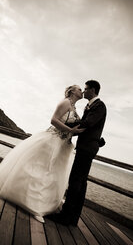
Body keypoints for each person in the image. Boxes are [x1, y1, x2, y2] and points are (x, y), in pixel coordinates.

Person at [0, 85, 85, 223]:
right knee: (42, 170)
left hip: (63, 145)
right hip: (52, 140)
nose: (82, 91)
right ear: (72, 91)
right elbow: (53, 120)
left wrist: (73, 132)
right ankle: (34, 206)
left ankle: (45, 202)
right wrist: (71, 130)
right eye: (79, 89)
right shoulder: (65, 102)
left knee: (53, 174)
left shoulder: (74, 108)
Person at [46, 80, 107, 226]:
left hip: (87, 148)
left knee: (75, 181)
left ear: (92, 90)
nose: (84, 91)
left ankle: (66, 216)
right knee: (80, 182)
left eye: (85, 89)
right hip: (85, 147)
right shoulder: (90, 106)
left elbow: (88, 124)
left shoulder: (99, 105)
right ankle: (73, 217)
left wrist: (64, 127)